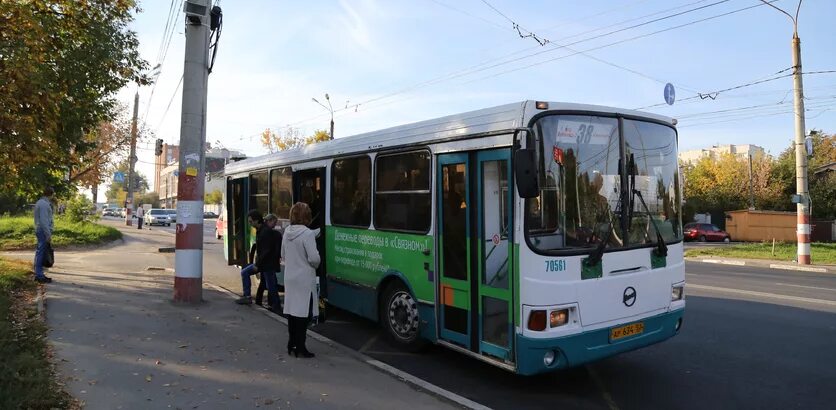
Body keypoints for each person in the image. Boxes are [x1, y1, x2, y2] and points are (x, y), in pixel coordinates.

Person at [282, 202, 320, 358]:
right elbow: (314, 258)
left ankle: (291, 343)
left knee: (292, 312)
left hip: (290, 277)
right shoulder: (307, 234)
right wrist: (316, 263)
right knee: (303, 314)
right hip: (304, 278)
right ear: (307, 216)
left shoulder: (287, 232)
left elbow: (283, 255)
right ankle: (301, 347)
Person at [235, 211, 281, 312]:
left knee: (271, 286)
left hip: (267, 264)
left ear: (256, 220)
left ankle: (276, 306)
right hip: (265, 264)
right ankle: (273, 305)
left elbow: (266, 251)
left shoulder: (265, 232)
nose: (250, 224)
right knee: (270, 285)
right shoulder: (261, 230)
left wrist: (257, 264)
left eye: (251, 221)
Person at [33, 186, 54, 283]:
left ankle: (38, 273)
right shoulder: (45, 204)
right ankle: (39, 275)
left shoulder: (39, 202)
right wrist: (48, 234)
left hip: (39, 229)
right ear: (51, 194)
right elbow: (44, 221)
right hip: (43, 230)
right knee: (41, 252)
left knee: (39, 252)